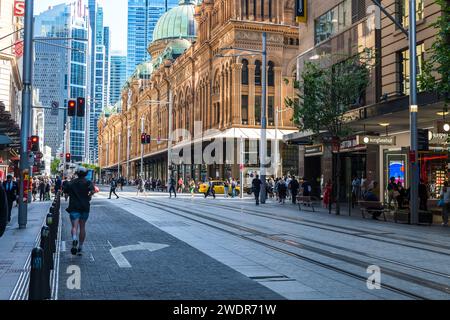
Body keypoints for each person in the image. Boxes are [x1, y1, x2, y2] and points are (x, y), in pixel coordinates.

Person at [65, 167, 95, 256]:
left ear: (77, 173)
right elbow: (93, 191)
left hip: (74, 206)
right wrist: (89, 195)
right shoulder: (88, 182)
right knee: (82, 227)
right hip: (85, 206)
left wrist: (68, 196)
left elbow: (66, 192)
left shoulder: (71, 182)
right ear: (85, 174)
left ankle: (74, 239)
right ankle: (80, 246)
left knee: (74, 226)